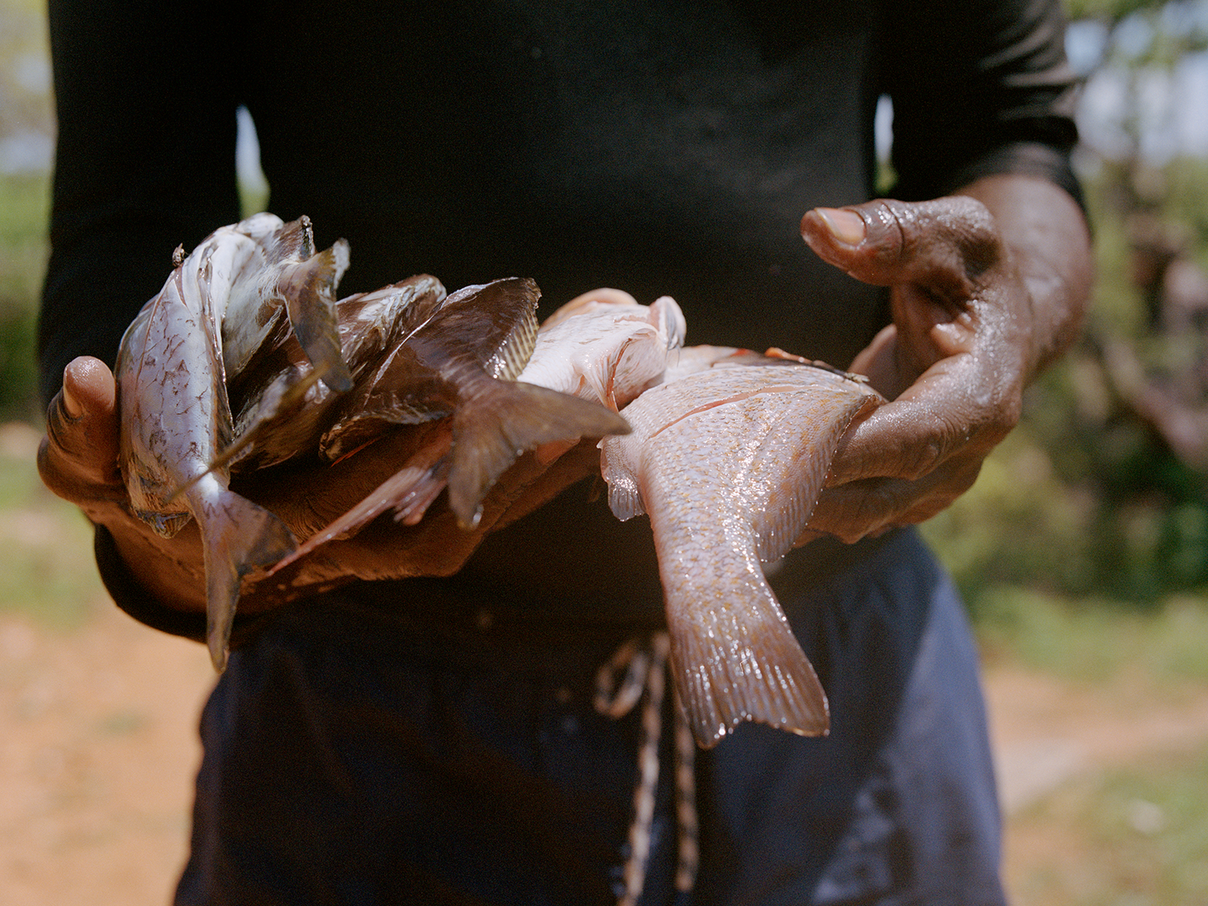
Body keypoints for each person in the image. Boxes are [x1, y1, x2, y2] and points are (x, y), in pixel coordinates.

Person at [37, 1, 1092, 903]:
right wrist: (167, 526)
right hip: (361, 723)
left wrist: (1008, 318)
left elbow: (1009, 133)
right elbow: (123, 219)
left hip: (849, 677)